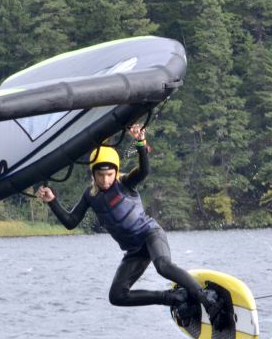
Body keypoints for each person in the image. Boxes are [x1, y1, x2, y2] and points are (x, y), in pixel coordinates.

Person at [36, 124, 225, 328]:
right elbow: (71, 223)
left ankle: (207, 298)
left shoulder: (124, 183)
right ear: (93, 174)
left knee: (162, 266)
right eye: (100, 175)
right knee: (117, 296)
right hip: (134, 251)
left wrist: (140, 143)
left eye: (109, 174)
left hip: (150, 234)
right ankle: (175, 298)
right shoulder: (90, 196)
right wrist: (52, 201)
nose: (105, 179)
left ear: (116, 172)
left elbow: (144, 171)